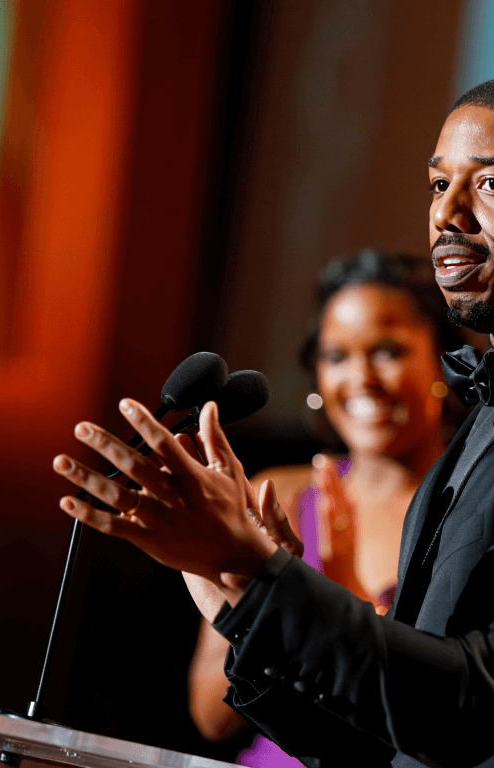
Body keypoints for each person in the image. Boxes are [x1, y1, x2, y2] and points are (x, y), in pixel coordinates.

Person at [52, 76, 494, 768]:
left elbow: (467, 708)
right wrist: (239, 593)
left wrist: (256, 566)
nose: (447, 215)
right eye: (437, 185)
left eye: (490, 185)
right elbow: (383, 739)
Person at [188, 250, 465, 765]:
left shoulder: (472, 507)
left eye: (387, 350)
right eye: (337, 356)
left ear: (443, 360)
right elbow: (211, 714)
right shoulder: (280, 497)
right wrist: (261, 600)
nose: (360, 377)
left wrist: (331, 612)